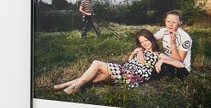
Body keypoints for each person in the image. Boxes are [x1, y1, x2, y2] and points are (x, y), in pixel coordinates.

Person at [52, 29, 185, 94]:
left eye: (147, 40)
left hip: (131, 76)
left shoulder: (159, 55)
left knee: (97, 63)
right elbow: (129, 61)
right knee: (93, 78)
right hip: (124, 70)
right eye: (142, 42)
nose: (145, 44)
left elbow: (180, 64)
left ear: (152, 39)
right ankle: (62, 86)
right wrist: (134, 52)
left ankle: (72, 88)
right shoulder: (140, 50)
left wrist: (160, 62)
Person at [154, 9, 192, 79]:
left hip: (181, 67)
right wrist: (140, 51)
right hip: (167, 61)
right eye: (168, 21)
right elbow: (148, 40)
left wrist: (173, 44)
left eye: (174, 22)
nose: (170, 24)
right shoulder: (164, 31)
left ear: (180, 23)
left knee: (155, 70)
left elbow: (179, 60)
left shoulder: (185, 37)